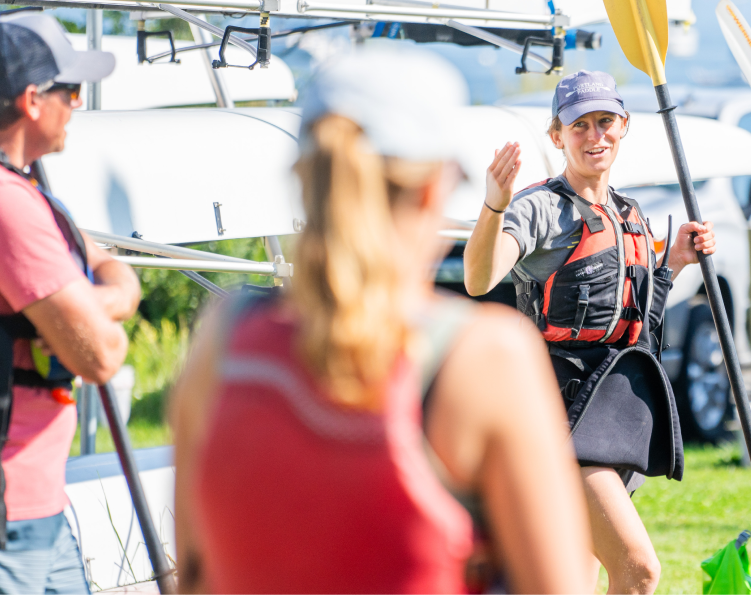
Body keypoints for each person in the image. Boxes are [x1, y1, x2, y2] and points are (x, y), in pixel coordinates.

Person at [171, 49, 592, 595]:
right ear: (430, 189)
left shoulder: (224, 339)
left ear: (308, 179)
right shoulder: (484, 356)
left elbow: (196, 574)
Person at [463, 69, 716, 595]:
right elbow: (478, 277)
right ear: (557, 135)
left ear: (624, 127)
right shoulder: (539, 207)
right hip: (559, 415)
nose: (594, 136)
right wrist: (494, 205)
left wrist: (674, 261)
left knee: (577, 576)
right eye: (580, 125)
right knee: (639, 568)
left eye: (605, 122)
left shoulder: (630, 213)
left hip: (617, 412)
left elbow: (636, 319)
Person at [0, 14, 140, 594]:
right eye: (71, 90)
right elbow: (99, 356)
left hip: (21, 494)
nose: (79, 101)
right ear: (32, 101)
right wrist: (105, 309)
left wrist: (102, 298)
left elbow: (115, 271)